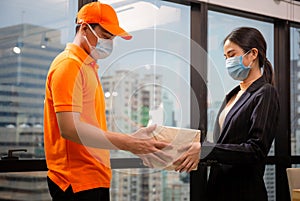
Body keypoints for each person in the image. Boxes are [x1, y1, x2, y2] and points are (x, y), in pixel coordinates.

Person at [43, 2, 195, 201]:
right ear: (83, 28)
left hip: (92, 178)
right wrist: (129, 144)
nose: (109, 43)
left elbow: (90, 126)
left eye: (112, 38)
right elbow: (70, 128)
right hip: (76, 181)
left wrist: (133, 137)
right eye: (105, 36)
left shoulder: (87, 67)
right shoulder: (69, 65)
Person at [177, 27, 280, 200]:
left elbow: (256, 149)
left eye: (231, 55)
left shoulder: (265, 92)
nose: (227, 62)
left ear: (253, 54)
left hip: (243, 192)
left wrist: (206, 150)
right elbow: (225, 144)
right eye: (225, 57)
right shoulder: (232, 95)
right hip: (218, 188)